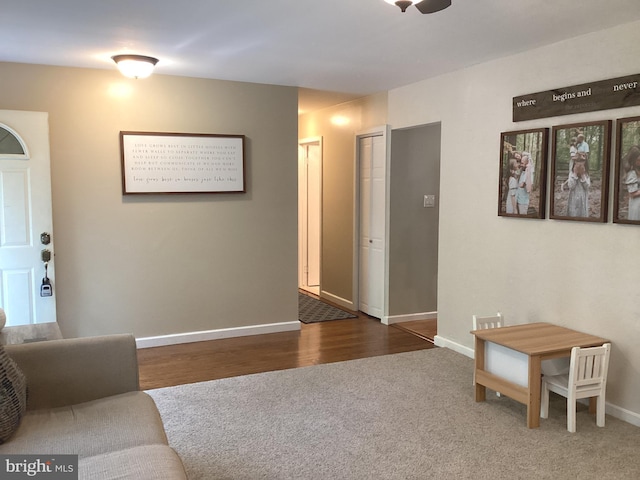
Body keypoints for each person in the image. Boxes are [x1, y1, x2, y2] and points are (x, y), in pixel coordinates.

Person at [566, 152, 590, 217]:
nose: (579, 163)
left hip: (582, 201)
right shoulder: (571, 173)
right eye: (577, 161)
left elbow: (587, 186)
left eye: (582, 161)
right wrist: (575, 174)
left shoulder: (586, 174)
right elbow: (571, 186)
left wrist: (582, 175)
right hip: (573, 200)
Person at [622, 145, 640, 221]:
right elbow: (632, 193)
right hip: (637, 204)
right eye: (638, 159)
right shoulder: (631, 174)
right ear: (634, 160)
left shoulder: (637, 172)